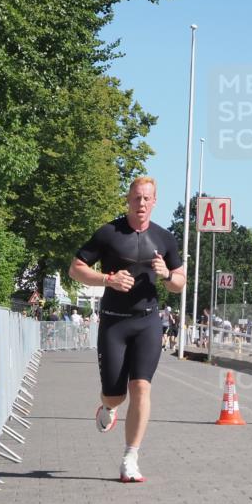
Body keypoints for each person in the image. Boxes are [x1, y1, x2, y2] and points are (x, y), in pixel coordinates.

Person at [69, 177, 185, 482]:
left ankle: (130, 458)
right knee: (116, 394)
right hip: (114, 321)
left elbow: (179, 283)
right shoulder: (109, 233)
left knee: (142, 387)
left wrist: (166, 275)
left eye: (147, 199)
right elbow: (76, 268)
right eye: (136, 198)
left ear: (155, 202)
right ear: (128, 200)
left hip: (147, 322)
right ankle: (107, 406)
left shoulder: (165, 238)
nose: (141, 204)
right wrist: (108, 280)